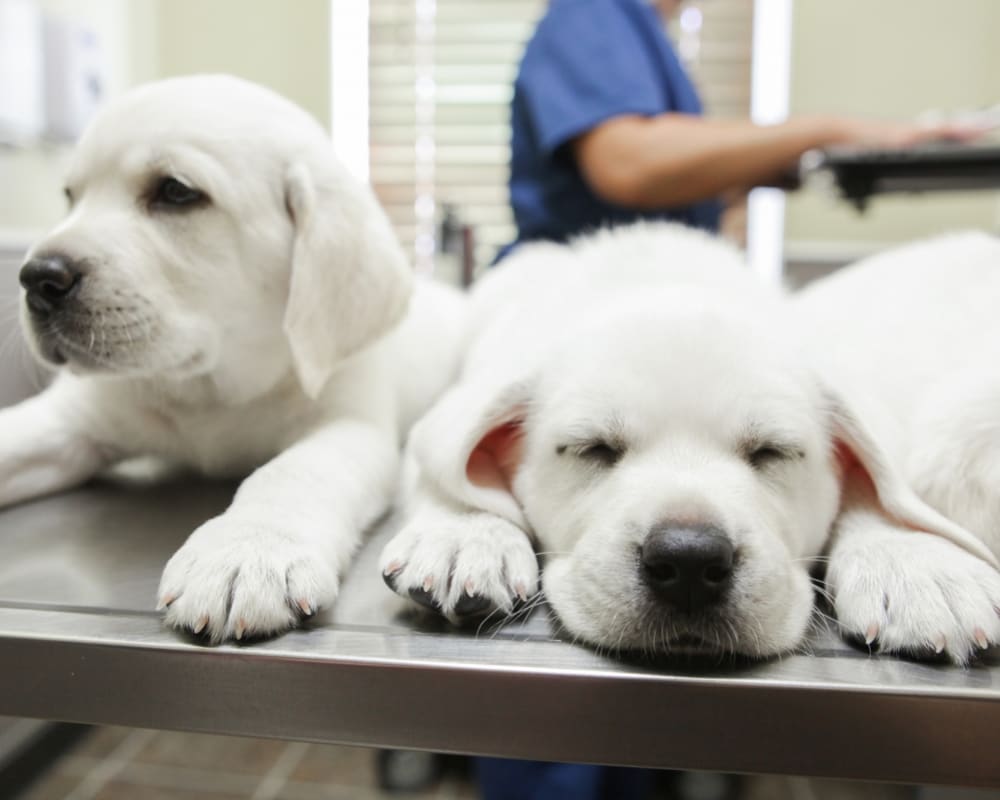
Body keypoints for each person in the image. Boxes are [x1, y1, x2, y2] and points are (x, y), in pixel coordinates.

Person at [499, 0, 980, 261]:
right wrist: (821, 129)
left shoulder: (634, 30)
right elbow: (630, 164)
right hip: (580, 289)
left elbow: (676, 178)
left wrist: (772, 166)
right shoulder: (594, 12)